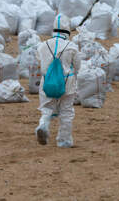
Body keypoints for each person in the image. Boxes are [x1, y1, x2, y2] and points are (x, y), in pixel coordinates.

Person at [35, 14, 81, 147]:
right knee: (66, 111)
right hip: (67, 83)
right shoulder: (71, 46)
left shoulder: (42, 45)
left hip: (47, 82)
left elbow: (39, 60)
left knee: (47, 109)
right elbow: (78, 66)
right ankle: (64, 140)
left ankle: (43, 125)